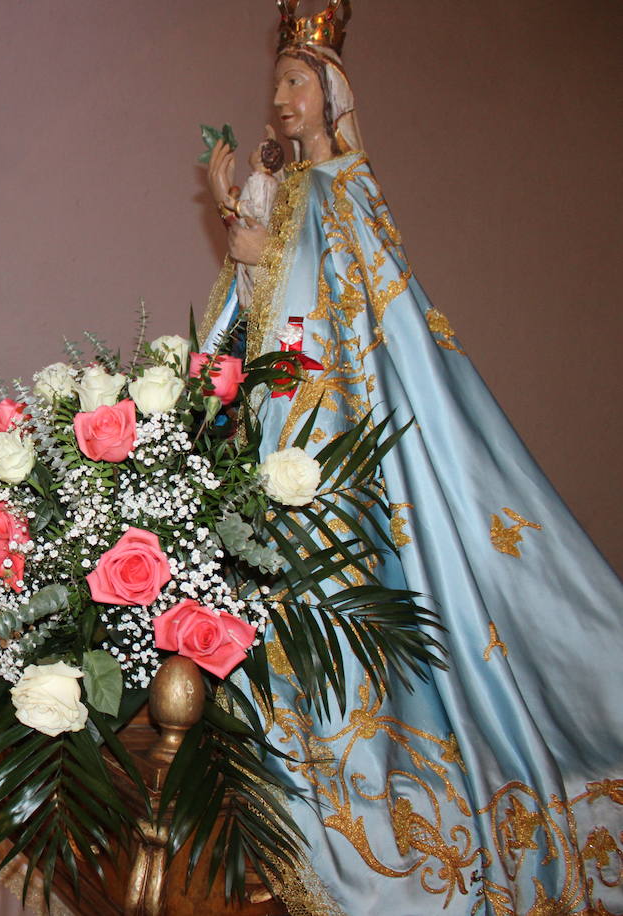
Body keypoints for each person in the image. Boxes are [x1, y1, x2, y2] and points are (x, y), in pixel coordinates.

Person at [197, 3, 623, 914]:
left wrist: (260, 241)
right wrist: (243, 231)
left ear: (332, 94)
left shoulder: (346, 186)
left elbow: (363, 320)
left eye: (296, 81)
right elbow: (250, 311)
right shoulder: (284, 189)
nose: (279, 99)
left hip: (334, 435)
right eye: (276, 82)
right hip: (280, 426)